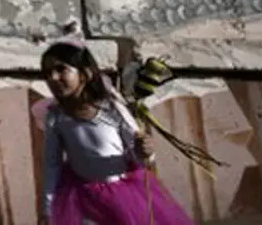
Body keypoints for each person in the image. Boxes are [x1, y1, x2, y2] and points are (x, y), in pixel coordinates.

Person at [36, 40, 194, 225]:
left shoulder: (112, 109)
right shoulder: (56, 117)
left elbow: (137, 154)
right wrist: (48, 209)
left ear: (85, 74)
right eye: (47, 73)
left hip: (122, 196)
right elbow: (52, 164)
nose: (53, 78)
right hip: (82, 197)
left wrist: (145, 152)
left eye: (61, 69)